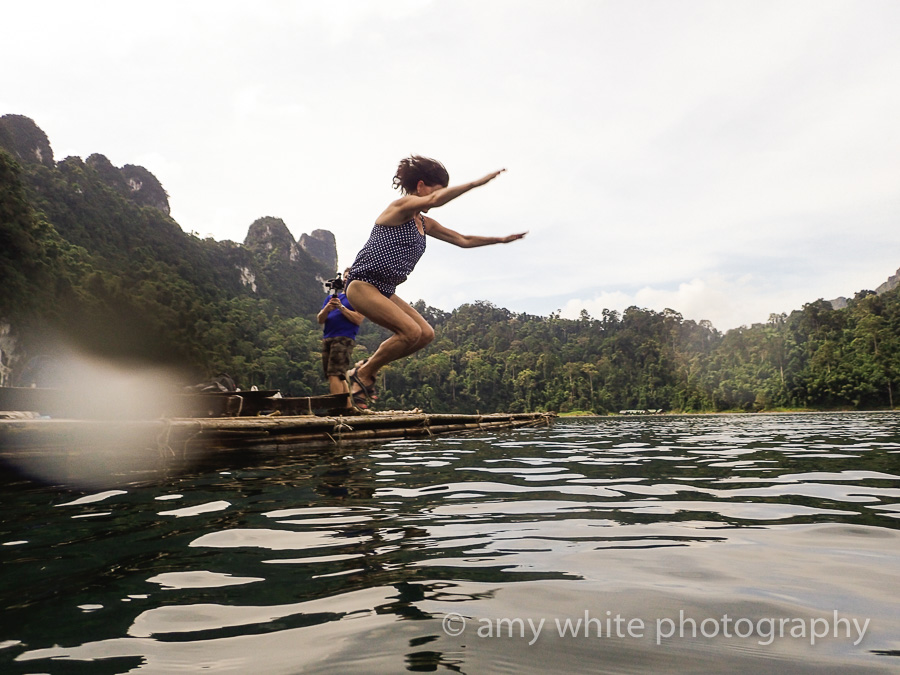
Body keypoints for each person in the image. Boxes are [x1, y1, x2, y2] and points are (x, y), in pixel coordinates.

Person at [345, 155, 526, 406]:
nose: (438, 197)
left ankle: (364, 370)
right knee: (410, 332)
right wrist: (476, 183)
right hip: (362, 284)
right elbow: (433, 200)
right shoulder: (399, 208)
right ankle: (364, 373)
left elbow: (463, 240)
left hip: (385, 289)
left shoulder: (424, 222)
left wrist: (501, 240)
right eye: (437, 190)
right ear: (421, 186)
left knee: (425, 334)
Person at [316, 269, 364, 407]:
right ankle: (347, 407)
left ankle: (337, 408)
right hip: (328, 338)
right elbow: (320, 319)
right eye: (345, 276)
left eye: (349, 276)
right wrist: (327, 308)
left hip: (343, 338)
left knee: (334, 374)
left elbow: (358, 319)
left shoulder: (357, 298)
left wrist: (341, 307)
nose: (346, 279)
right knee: (338, 375)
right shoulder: (331, 297)